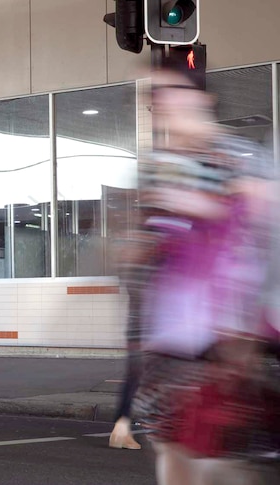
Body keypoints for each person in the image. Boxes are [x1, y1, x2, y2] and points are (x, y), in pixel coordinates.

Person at [130, 67, 277, 484]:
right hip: (171, 334)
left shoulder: (238, 157)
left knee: (217, 452)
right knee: (174, 444)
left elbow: (260, 239)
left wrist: (246, 329)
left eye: (171, 90)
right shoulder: (159, 165)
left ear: (203, 100)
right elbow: (153, 250)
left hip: (224, 329)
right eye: (155, 94)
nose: (161, 100)